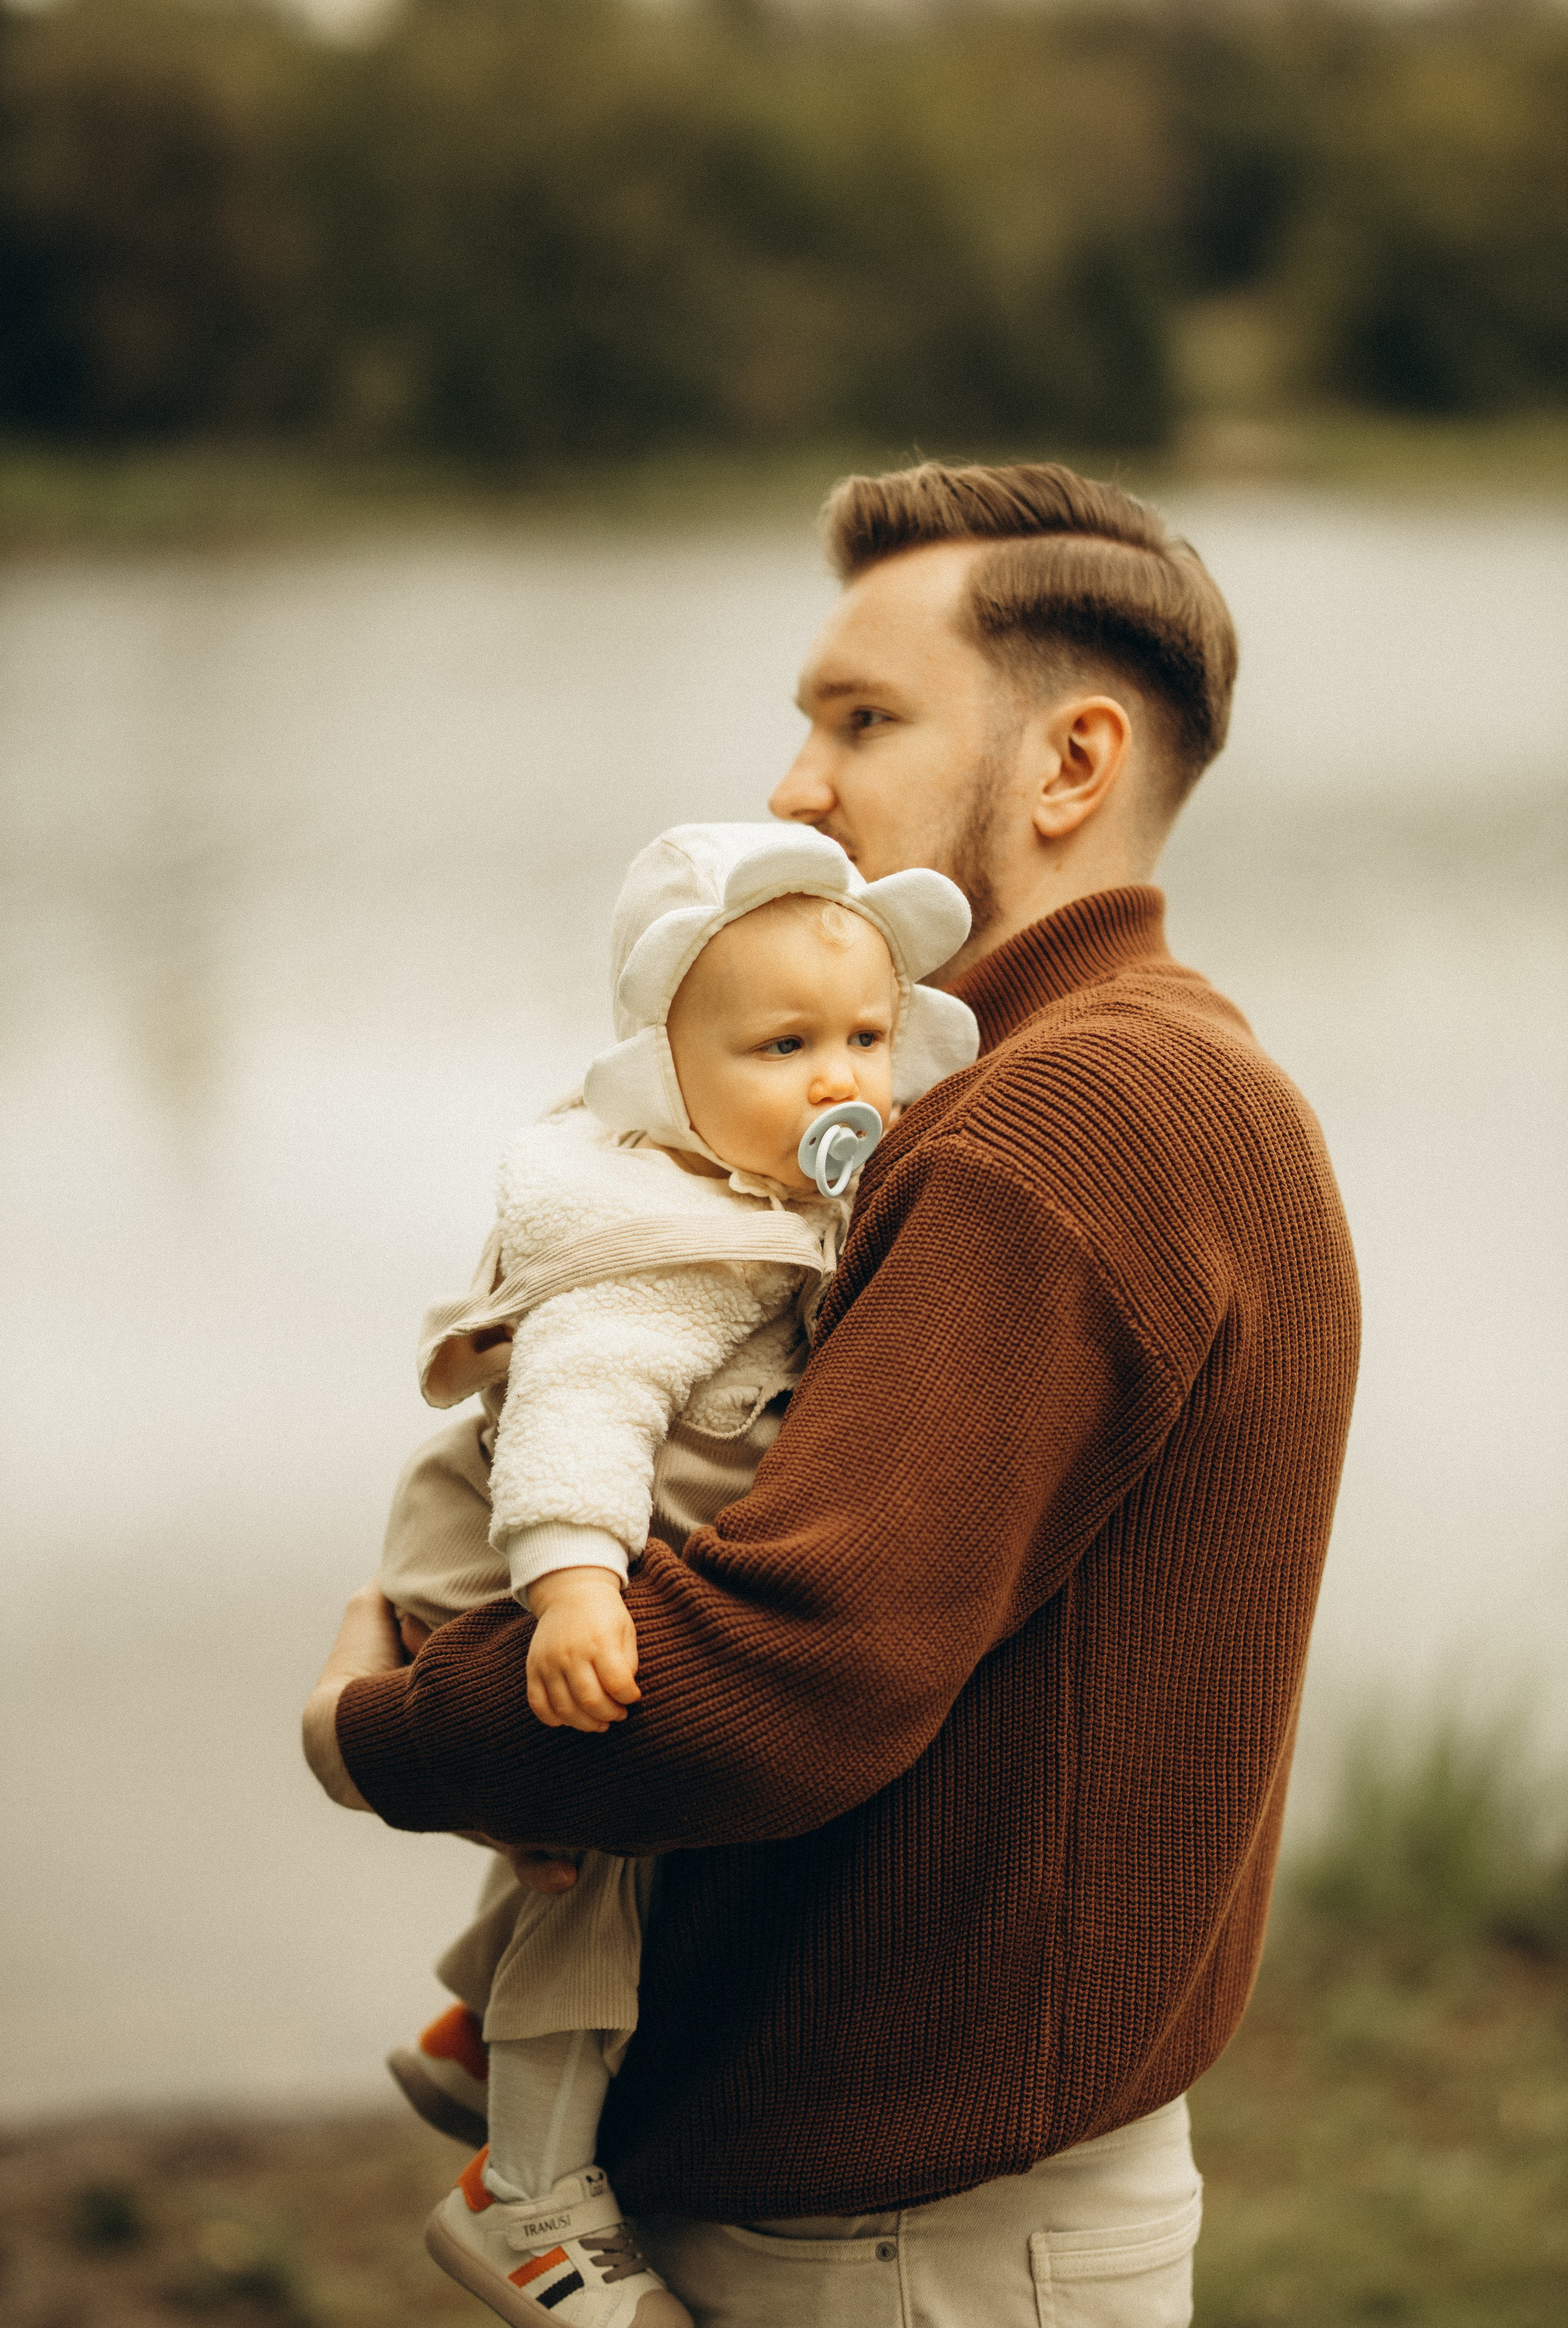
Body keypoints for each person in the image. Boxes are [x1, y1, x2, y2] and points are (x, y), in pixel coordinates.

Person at [304, 459, 1360, 2328]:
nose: (796, 784)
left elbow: (779, 1689)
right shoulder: (1132, 1073)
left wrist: (380, 1718)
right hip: (953, 2206)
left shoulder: (1068, 1119)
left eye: (861, 719)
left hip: (906, 2244)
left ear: (1069, 764)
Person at [371, 820, 976, 2328]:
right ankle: (524, 2203)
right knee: (607, 1851)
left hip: (596, 1551)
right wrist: (571, 1582)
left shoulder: (776, 1198)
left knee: (598, 1865)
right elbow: (581, 1407)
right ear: (670, 1075)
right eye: (781, 1045)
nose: (838, 1078)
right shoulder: (661, 1238)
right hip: (542, 1565)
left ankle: (469, 2029)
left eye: (861, 1037)